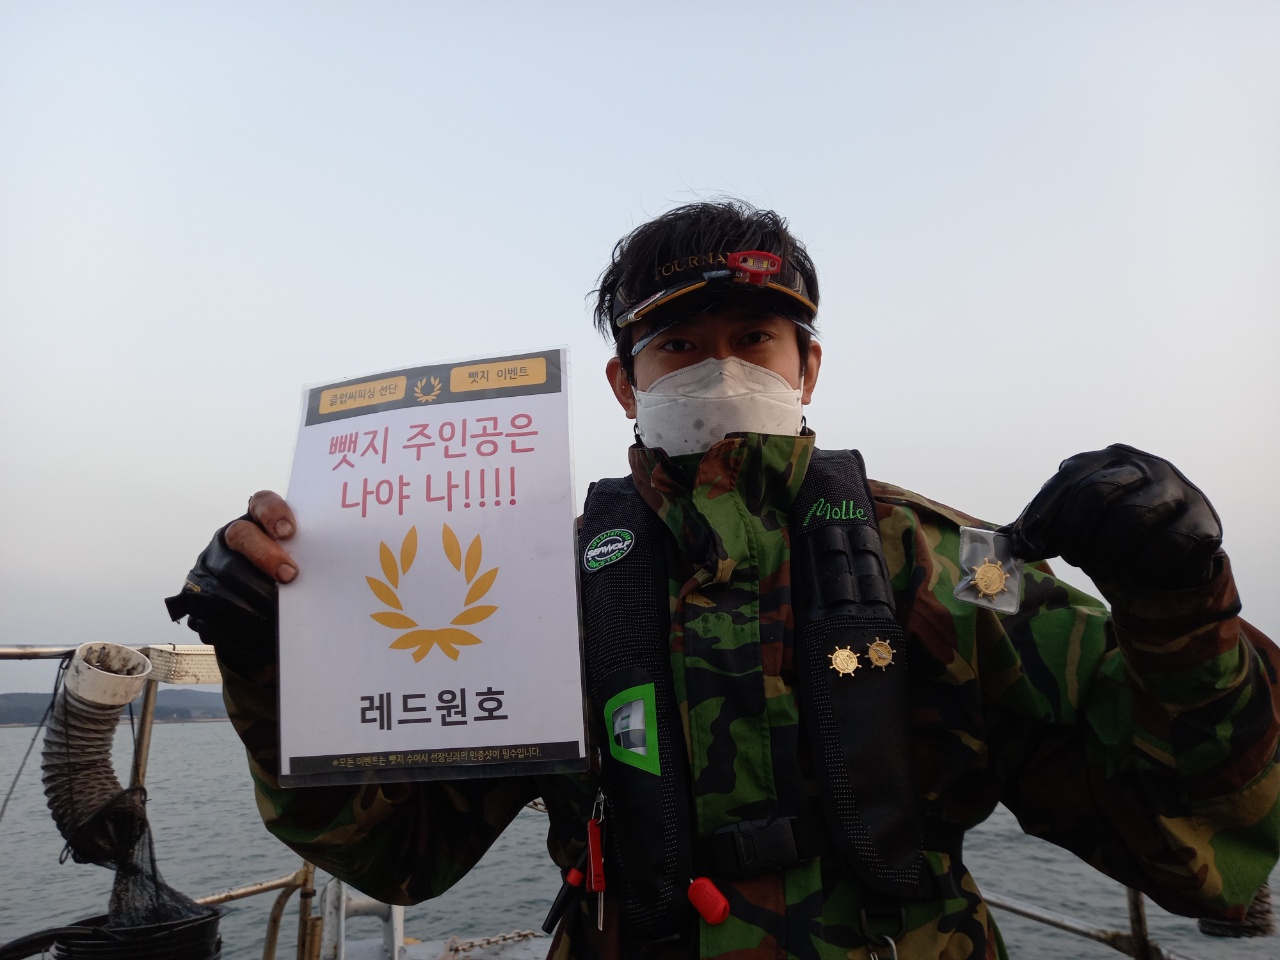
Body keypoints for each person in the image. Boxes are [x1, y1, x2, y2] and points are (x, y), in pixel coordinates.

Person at [168, 200, 1280, 960]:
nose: (722, 368)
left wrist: (1177, 602)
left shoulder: (948, 562)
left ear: (807, 365)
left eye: (755, 336)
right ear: (624, 381)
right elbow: (396, 849)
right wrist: (271, 653)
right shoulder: (532, 588)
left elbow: (1197, 828)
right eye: (677, 345)